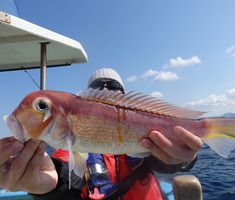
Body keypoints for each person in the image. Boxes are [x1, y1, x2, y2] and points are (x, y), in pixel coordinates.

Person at [0, 68, 203, 200]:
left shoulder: (143, 133)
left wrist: (183, 158)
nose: (105, 88)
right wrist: (49, 186)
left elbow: (164, 162)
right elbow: (68, 172)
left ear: (124, 96)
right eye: (97, 87)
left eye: (113, 86)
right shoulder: (68, 143)